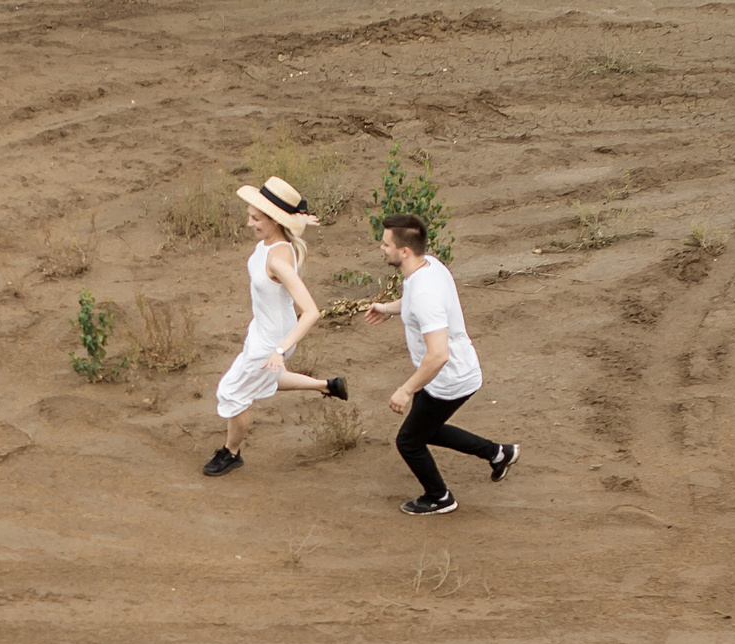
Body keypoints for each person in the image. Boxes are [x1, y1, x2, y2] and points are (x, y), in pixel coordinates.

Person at [363, 212, 517, 514]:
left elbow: (438, 354)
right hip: (450, 372)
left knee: (409, 441)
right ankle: (499, 454)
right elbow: (414, 305)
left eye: (386, 245)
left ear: (404, 251)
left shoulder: (424, 293)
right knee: (426, 430)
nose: (382, 249)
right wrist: (388, 308)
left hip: (448, 378)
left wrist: (406, 390)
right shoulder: (427, 267)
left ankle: (439, 496)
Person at [203, 176, 350, 477]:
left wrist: (279, 350)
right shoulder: (278, 242)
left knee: (232, 392)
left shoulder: (279, 260)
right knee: (267, 376)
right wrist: (299, 220)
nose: (250, 223)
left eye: (256, 218)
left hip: (272, 339)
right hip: (265, 329)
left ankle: (231, 453)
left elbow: (311, 312)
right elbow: (288, 233)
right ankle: (327, 385)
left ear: (273, 220)